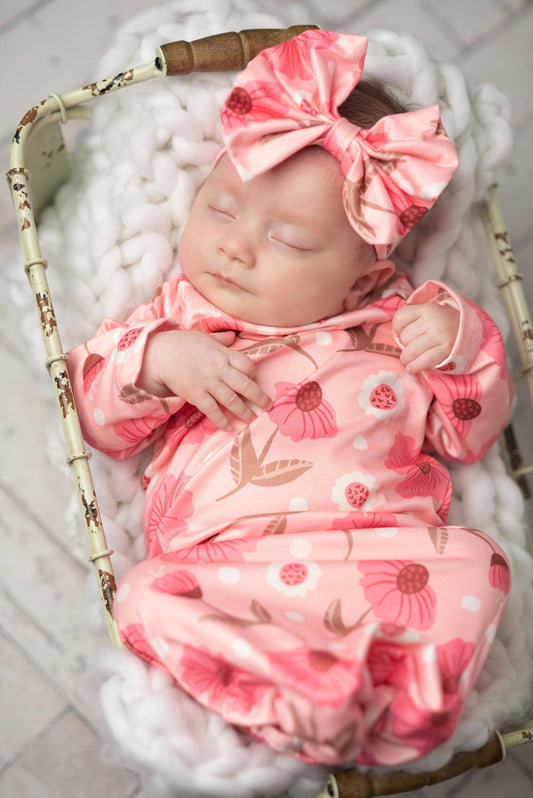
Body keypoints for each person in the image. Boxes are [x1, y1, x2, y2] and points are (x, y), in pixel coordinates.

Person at [67, 30, 513, 767]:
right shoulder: (181, 321)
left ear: (365, 276)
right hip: (229, 567)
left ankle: (405, 711)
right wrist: (158, 359)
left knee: (478, 564)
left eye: (291, 242)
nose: (235, 247)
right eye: (220, 208)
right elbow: (99, 419)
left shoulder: (398, 324)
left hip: (380, 555)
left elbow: (471, 438)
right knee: (144, 598)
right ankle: (297, 697)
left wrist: (460, 346)